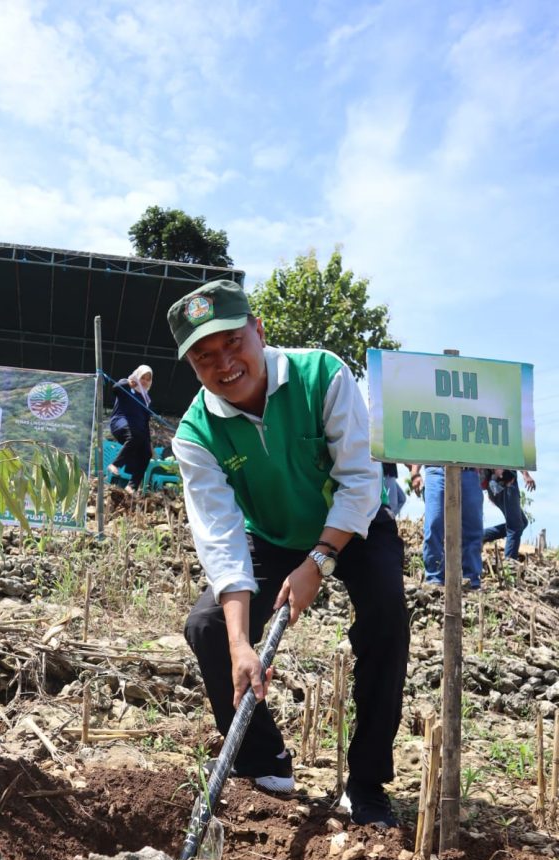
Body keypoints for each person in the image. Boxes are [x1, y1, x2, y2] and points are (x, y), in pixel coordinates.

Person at [166, 279, 409, 828]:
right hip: (271, 535)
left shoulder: (322, 374)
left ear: (259, 330)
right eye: (205, 356)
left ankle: (366, 783)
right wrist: (239, 645)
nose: (224, 363)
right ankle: (264, 760)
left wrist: (319, 561)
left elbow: (359, 479)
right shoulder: (196, 435)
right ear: (192, 367)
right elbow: (222, 536)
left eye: (232, 342)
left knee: (386, 619)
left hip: (354, 526)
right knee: (208, 626)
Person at [409, 464, 483, 589]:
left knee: (473, 529)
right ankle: (434, 580)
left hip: (468, 471)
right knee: (434, 524)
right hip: (436, 469)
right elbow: (422, 444)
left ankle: (471, 581)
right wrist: (415, 472)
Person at [109, 365, 154, 493]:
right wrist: (128, 383)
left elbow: (145, 424)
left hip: (137, 430)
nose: (144, 381)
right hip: (120, 423)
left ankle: (132, 486)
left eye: (147, 379)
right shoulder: (127, 387)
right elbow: (115, 388)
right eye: (142, 377)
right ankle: (115, 464)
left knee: (146, 453)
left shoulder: (146, 400)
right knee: (136, 435)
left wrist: (149, 444)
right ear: (137, 376)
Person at [481, 468, 535, 560]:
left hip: (495, 486)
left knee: (522, 523)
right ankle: (509, 563)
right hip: (506, 482)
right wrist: (526, 474)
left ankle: (481, 535)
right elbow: (518, 454)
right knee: (515, 527)